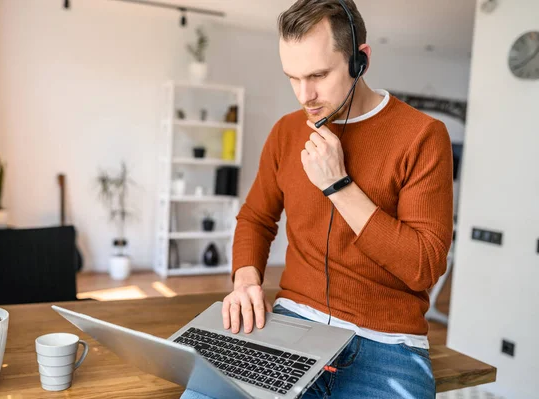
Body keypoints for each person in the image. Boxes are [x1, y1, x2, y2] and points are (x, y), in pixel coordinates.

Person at [182, 0, 453, 397]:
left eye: (318, 75)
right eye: (292, 77)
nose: (304, 95)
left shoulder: (423, 136)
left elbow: (424, 266)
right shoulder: (285, 133)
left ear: (361, 60)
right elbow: (256, 218)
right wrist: (244, 280)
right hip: (292, 325)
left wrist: (339, 186)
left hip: (387, 346)